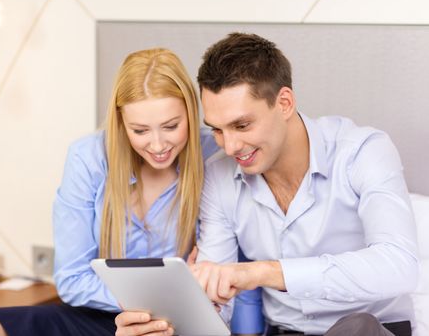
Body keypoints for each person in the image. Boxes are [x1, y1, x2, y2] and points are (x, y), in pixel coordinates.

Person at [115, 33, 419, 336]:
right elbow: (215, 305)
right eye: (217, 130)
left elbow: (398, 266)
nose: (231, 146)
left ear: (284, 102)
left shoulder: (362, 152)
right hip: (282, 331)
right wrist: (166, 325)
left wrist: (262, 272)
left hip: (370, 329)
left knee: (358, 328)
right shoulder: (220, 175)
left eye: (242, 125)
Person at [0, 48, 221, 336]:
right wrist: (143, 307)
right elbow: (71, 279)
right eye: (140, 130)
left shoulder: (215, 154)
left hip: (181, 322)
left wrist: (168, 315)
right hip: (102, 315)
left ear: (191, 112)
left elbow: (230, 279)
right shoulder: (88, 158)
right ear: (120, 122)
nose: (158, 145)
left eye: (171, 126)